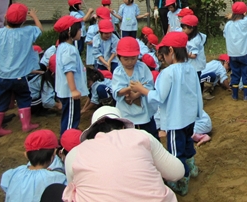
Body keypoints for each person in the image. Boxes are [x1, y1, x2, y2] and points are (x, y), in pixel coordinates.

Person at [130, 32, 203, 196]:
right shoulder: (191, 68)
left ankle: (181, 181)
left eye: (163, 55)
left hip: (175, 121)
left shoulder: (168, 73)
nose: (163, 59)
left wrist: (142, 90)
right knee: (187, 143)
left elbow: (159, 97)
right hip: (189, 117)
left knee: (176, 154)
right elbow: (196, 92)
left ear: (170, 50)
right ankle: (192, 168)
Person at [59, 106, 184, 201]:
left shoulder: (75, 154)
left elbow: (74, 188)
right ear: (123, 127)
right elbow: (177, 172)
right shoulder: (140, 136)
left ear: (92, 132)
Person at [0, 3, 42, 136]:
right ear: (23, 20)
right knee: (23, 97)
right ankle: (26, 124)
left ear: (6, 16)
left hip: (1, 75)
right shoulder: (27, 32)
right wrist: (34, 16)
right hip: (20, 76)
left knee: (0, 100)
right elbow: (39, 29)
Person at [1, 129, 67, 202]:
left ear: (26, 155)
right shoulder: (58, 178)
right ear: (54, 153)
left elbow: (5, 186)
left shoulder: (13, 173)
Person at [112, 37, 157, 138]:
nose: (130, 62)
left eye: (133, 58)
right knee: (128, 134)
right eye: (126, 59)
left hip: (143, 106)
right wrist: (129, 89)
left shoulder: (142, 67)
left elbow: (149, 84)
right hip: (126, 109)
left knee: (149, 133)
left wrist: (137, 92)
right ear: (119, 57)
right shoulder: (118, 72)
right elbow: (117, 91)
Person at [54, 16, 89, 136]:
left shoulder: (62, 47)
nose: (81, 32)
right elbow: (69, 70)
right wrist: (73, 90)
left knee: (70, 116)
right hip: (70, 92)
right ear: (70, 32)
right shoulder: (69, 50)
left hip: (67, 91)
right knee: (71, 119)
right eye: (79, 30)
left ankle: (70, 136)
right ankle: (66, 142)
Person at [223, 1, 247, 101]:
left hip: (232, 54)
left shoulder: (228, 25)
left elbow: (225, 34)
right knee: (245, 73)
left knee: (235, 73)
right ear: (244, 13)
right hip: (244, 53)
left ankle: (235, 95)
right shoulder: (245, 22)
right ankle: (246, 96)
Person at [182, 15, 207, 93]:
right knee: (196, 80)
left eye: (184, 28)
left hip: (195, 65)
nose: (182, 30)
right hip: (194, 65)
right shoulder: (196, 35)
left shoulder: (195, 40)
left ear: (192, 28)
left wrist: (185, 53)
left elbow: (194, 55)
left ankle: (198, 97)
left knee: (196, 81)